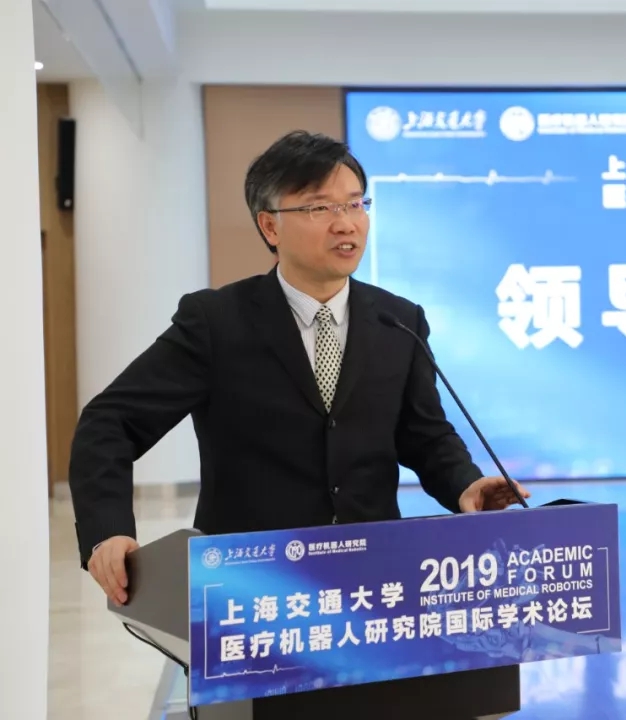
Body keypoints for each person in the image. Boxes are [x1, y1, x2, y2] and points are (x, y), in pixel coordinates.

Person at [69, 130, 529, 605]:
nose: (345, 223)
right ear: (270, 227)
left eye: (355, 204)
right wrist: (108, 531)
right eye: (319, 208)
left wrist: (465, 483)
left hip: (370, 578)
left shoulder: (399, 320)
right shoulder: (216, 322)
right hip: (251, 585)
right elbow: (111, 422)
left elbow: (424, 434)